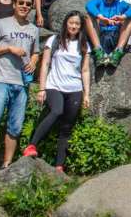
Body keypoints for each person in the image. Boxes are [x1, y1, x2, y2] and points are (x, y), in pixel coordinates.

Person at [22, 11, 90, 172]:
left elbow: (85, 70)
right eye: (71, 22)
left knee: (67, 127)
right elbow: (45, 64)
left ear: (81, 27)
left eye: (77, 24)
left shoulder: (84, 44)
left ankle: (59, 165)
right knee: (56, 111)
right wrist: (42, 88)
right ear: (66, 23)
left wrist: (86, 94)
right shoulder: (54, 40)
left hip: (75, 88)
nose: (73, 26)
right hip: (54, 85)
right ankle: (32, 145)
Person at [0, 0, 39, 173]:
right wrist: (9, 49)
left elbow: (35, 51)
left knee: (15, 125)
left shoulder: (33, 29)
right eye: (20, 2)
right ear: (14, 4)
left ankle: (6, 164)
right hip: (1, 79)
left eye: (28, 4)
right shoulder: (1, 24)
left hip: (21, 83)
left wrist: (34, 62)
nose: (24, 6)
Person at [84, 0, 131, 67]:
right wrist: (101, 17)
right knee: (88, 16)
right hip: (100, 36)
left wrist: (122, 17)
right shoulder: (99, 1)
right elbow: (89, 5)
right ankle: (98, 51)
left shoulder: (121, 4)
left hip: (114, 37)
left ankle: (118, 52)